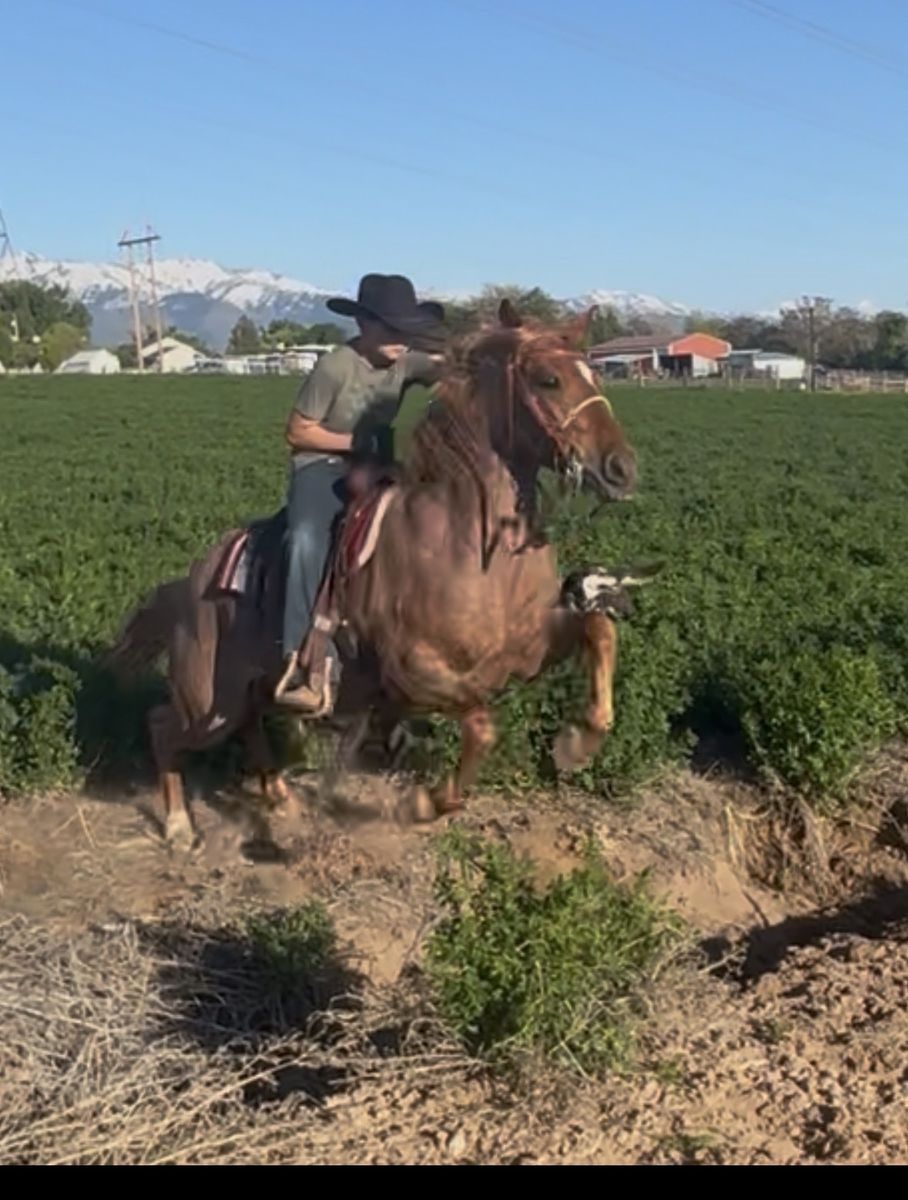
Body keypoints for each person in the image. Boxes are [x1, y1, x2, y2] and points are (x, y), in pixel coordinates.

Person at [275, 273, 445, 712]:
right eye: (391, 327)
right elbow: (296, 432)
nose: (400, 338)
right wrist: (357, 444)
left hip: (378, 466)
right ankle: (299, 656)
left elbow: (450, 368)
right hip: (321, 466)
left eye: (407, 329)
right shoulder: (335, 366)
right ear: (364, 325)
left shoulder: (407, 362)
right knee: (306, 539)